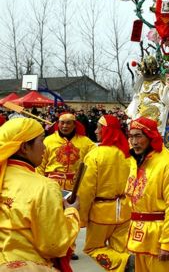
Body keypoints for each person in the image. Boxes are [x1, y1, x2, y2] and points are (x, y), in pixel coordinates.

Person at [0, 118, 80, 270]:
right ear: (24, 147)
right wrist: (72, 212)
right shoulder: (44, 187)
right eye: (41, 141)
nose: (45, 148)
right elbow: (54, 245)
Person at [126, 117, 169, 272]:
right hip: (139, 235)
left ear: (151, 136)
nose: (134, 142)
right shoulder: (137, 161)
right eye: (131, 136)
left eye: (138, 136)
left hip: (160, 238)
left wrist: (168, 243)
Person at [78, 115, 132, 272]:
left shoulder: (95, 155)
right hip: (125, 210)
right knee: (121, 249)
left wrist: (82, 216)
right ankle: (127, 261)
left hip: (101, 213)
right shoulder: (128, 154)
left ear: (106, 130)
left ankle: (127, 262)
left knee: (92, 248)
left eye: (99, 128)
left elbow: (86, 190)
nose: (95, 131)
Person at [37, 112, 95, 192]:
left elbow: (94, 160)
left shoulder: (86, 142)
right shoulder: (48, 141)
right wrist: (40, 183)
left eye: (68, 123)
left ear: (74, 125)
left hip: (76, 186)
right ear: (58, 124)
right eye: (62, 123)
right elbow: (40, 165)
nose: (65, 126)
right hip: (51, 184)